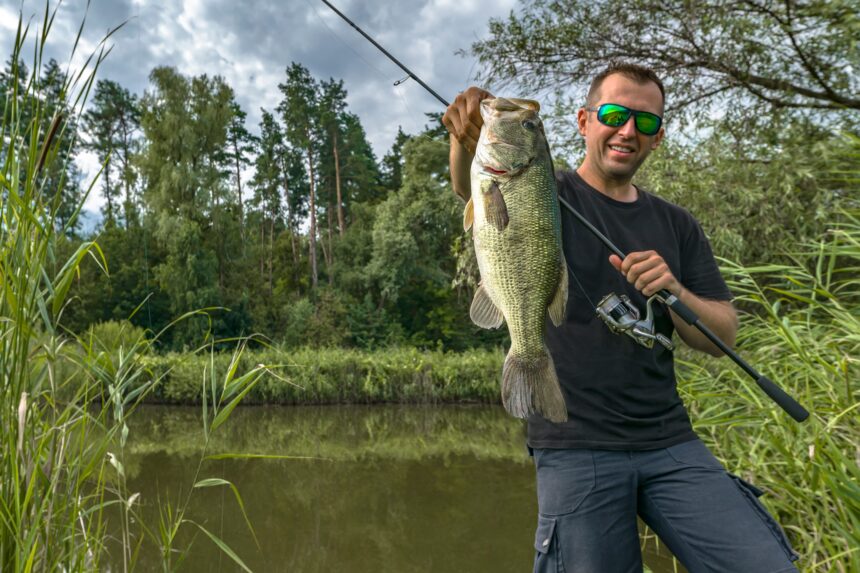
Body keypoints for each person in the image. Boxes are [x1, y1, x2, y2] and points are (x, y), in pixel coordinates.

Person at [442, 63, 800, 573]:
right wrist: (466, 134)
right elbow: (474, 191)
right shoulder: (548, 191)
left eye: (646, 122)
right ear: (585, 121)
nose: (628, 130)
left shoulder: (677, 224)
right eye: (614, 114)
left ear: (656, 139)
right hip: (575, 444)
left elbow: (721, 335)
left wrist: (675, 290)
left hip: (670, 442)